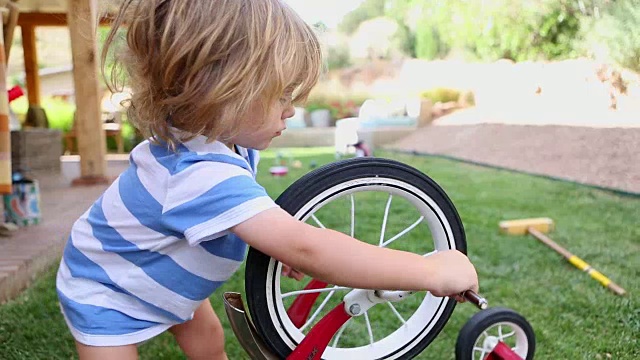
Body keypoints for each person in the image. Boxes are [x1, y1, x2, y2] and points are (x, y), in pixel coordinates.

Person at [55, 1, 479, 359]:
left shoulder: (225, 147)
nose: (291, 110)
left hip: (161, 272)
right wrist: (427, 270)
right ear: (222, 90)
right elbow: (307, 247)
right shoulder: (197, 174)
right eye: (280, 95)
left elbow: (256, 216)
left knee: (208, 341)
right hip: (106, 287)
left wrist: (272, 234)